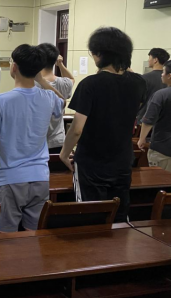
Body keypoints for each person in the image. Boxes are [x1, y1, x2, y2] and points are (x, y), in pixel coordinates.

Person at [60, 27, 146, 223]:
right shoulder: (139, 83)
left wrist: (64, 154)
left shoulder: (90, 84)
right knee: (120, 216)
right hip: (122, 160)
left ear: (99, 53)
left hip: (92, 162)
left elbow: (77, 129)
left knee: (91, 216)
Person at [0, 44, 64, 232]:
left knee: (5, 237)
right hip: (40, 177)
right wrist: (41, 80)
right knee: (33, 237)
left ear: (14, 67)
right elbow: (62, 101)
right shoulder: (48, 98)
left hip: (9, 179)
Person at [37, 43, 75, 153]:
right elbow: (71, 79)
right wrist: (60, 64)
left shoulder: (32, 84)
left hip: (36, 140)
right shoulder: (64, 83)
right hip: (57, 140)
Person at [138, 60, 171, 172]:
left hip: (163, 147)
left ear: (169, 76)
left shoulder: (161, 95)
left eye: (163, 72)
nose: (161, 74)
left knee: (161, 180)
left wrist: (142, 139)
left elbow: (149, 120)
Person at [137, 48, 170, 123]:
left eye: (149, 58)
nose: (148, 60)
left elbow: (138, 100)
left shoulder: (144, 78)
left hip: (144, 119)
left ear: (155, 60)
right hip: (163, 120)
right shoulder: (168, 78)